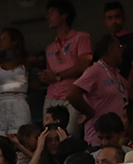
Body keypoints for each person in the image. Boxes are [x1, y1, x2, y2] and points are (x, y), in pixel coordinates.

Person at [40, 0, 93, 136]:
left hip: (72, 96)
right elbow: (51, 74)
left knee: (69, 137)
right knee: (49, 136)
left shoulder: (81, 37)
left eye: (52, 11)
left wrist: (57, 76)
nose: (48, 16)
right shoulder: (50, 48)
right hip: (51, 97)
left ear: (64, 15)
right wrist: (45, 77)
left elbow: (84, 65)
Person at [68, 33, 128, 147]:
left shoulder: (115, 73)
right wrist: (89, 112)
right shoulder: (94, 70)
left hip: (117, 139)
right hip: (98, 141)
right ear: (111, 49)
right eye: (119, 47)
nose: (122, 51)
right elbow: (72, 94)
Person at [0, 29, 34, 139]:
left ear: (14, 41)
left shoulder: (27, 60)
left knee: (19, 137)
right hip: (0, 103)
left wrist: (37, 83)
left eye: (4, 39)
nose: (0, 42)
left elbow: (46, 67)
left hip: (18, 101)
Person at [104, 2, 133, 93]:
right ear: (105, 21)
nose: (114, 21)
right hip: (106, 88)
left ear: (124, 18)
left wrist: (125, 90)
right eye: (110, 18)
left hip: (125, 89)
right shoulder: (105, 42)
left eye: (117, 17)